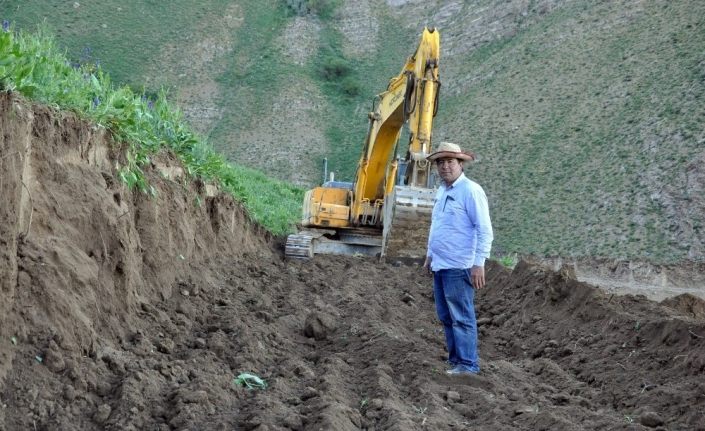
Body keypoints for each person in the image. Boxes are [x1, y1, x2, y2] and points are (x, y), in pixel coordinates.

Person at [423, 141, 493, 375]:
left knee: (461, 316)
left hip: (459, 265)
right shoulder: (442, 191)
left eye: (450, 162)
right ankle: (456, 361)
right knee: (446, 316)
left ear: (461, 164)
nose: (445, 167)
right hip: (441, 265)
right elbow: (437, 225)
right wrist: (430, 255)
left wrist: (478, 263)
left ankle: (467, 365)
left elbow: (484, 230)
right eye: (440, 162)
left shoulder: (471, 191)